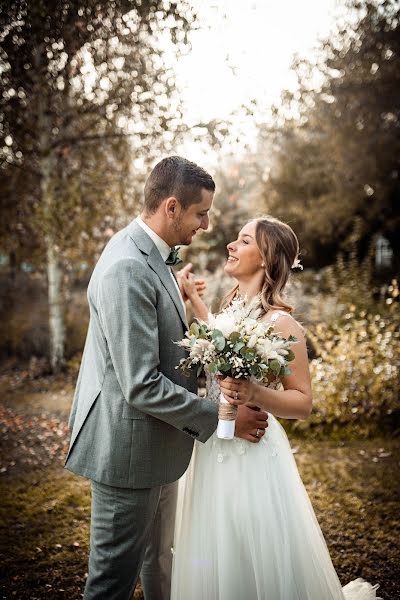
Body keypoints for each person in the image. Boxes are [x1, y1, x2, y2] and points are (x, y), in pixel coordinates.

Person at [64, 156, 268, 600]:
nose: (208, 225)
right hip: (128, 452)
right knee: (110, 583)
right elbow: (140, 383)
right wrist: (224, 416)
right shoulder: (127, 267)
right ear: (171, 207)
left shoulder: (153, 259)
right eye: (201, 213)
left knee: (159, 563)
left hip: (156, 446)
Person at [171, 215, 381, 600]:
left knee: (253, 547)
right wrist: (193, 298)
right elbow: (220, 340)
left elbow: (302, 403)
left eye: (244, 241)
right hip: (212, 443)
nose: (231, 246)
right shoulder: (230, 311)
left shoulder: (283, 323)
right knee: (216, 540)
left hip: (254, 451)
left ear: (266, 258)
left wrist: (255, 393)